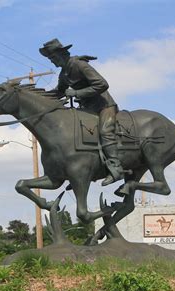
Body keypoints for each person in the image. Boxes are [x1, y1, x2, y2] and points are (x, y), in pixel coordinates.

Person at [39, 38, 125, 186]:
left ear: (62, 54)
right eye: (50, 59)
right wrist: (38, 98)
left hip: (104, 106)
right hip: (86, 109)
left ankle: (116, 168)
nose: (52, 61)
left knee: (105, 132)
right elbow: (59, 92)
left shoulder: (80, 65)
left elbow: (102, 84)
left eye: (52, 57)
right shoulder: (64, 74)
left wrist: (77, 93)